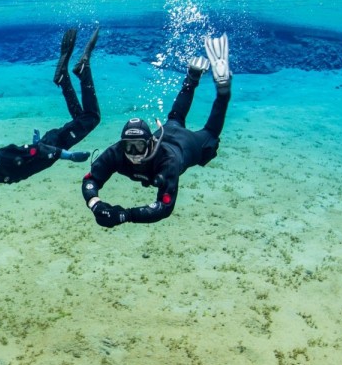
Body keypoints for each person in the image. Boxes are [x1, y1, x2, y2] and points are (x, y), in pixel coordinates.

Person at [81, 34, 232, 228]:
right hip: (169, 130)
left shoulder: (167, 163)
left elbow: (165, 207)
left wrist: (125, 215)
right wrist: (95, 203)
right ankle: (192, 77)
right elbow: (90, 179)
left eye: (139, 146)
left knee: (210, 134)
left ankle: (222, 91)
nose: (133, 153)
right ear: (122, 144)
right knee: (175, 117)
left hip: (186, 145)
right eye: (129, 146)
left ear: (151, 143)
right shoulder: (117, 152)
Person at [0, 26, 101, 185]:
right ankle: (64, 79)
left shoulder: (1, 160)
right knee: (82, 118)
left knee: (92, 117)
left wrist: (68, 156)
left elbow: (37, 152)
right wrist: (36, 143)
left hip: (54, 143)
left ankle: (82, 70)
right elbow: (28, 155)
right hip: (50, 144)